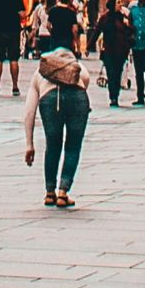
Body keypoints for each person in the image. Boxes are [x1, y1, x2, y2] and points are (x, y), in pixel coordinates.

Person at [22, 45, 94, 208]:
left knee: (52, 145)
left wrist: (29, 144)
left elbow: (29, 110)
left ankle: (49, 192)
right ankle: (63, 192)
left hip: (49, 99)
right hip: (78, 97)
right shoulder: (78, 66)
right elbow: (85, 82)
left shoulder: (40, 72)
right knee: (73, 146)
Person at [94, 0, 132, 107]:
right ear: (113, 5)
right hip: (109, 51)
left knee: (118, 73)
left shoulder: (123, 17)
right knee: (111, 74)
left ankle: (116, 94)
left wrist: (127, 26)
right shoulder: (105, 18)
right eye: (118, 2)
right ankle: (113, 97)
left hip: (121, 51)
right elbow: (97, 31)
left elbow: (130, 31)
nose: (121, 4)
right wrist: (88, 46)